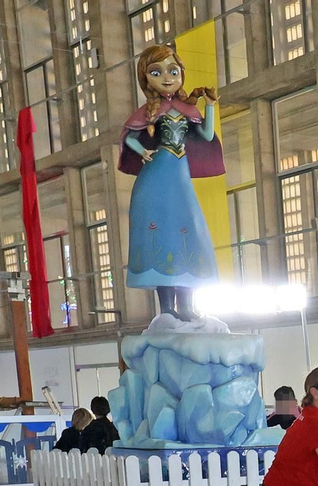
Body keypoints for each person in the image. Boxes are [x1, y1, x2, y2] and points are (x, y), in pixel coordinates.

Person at [117, 44, 223, 322]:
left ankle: (186, 306)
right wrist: (143, 152)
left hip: (179, 176)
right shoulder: (149, 111)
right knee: (161, 236)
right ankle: (166, 309)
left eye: (173, 71)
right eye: (157, 71)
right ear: (146, 77)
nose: (166, 77)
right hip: (157, 176)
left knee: (186, 234)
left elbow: (208, 134)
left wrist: (210, 105)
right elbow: (129, 137)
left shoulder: (186, 109)